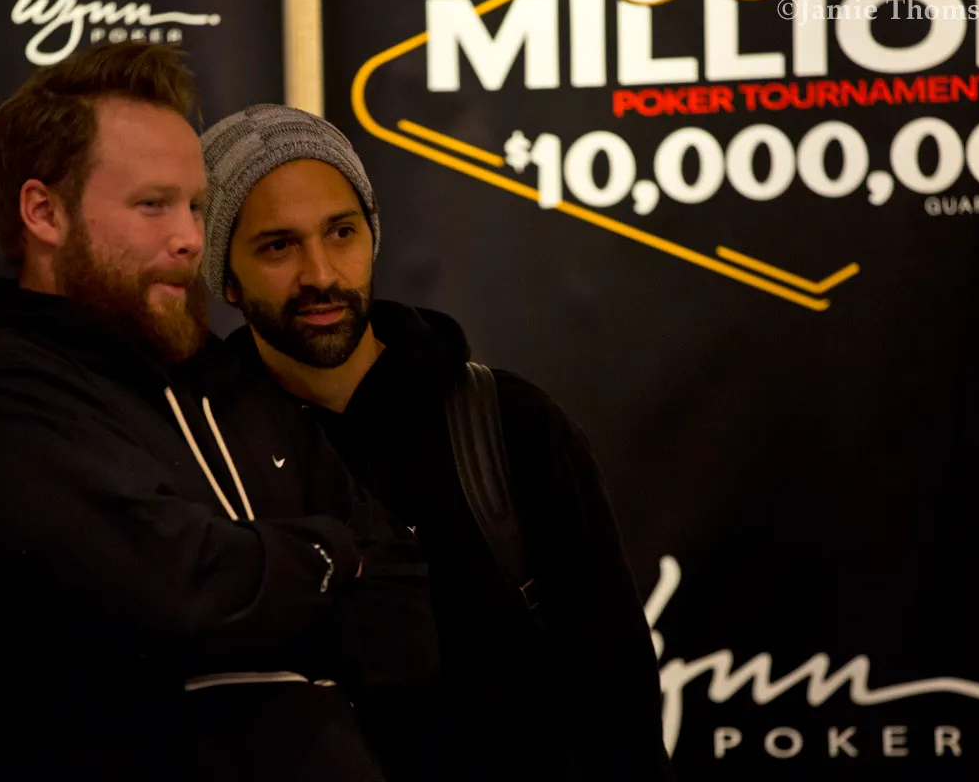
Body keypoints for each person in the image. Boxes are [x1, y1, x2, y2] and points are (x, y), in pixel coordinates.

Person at [0, 46, 435, 782]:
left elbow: (407, 617)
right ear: (44, 212)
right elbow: (181, 591)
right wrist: (333, 555)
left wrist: (259, 593)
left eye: (197, 206)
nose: (189, 238)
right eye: (153, 205)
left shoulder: (226, 382)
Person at [198, 103, 677, 782]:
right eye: (279, 246)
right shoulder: (203, 448)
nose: (321, 274)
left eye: (341, 232)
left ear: (373, 236)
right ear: (224, 276)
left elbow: (616, 689)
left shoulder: (507, 421)